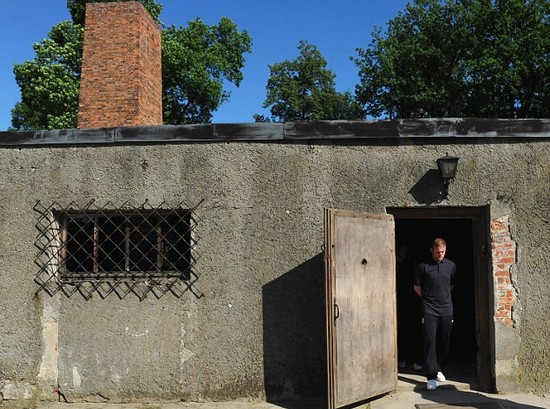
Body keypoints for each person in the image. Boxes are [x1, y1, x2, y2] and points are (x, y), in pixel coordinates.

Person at [414, 238, 456, 390]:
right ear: (431, 249)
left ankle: (438, 367)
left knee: (444, 340)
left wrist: (443, 296)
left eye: (443, 252)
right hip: (429, 308)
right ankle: (431, 376)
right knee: (430, 339)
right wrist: (428, 298)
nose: (440, 254)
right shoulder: (423, 266)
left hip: (446, 308)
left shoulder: (451, 266)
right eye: (437, 252)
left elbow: (451, 284)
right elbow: (416, 287)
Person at [396, 244, 423, 371]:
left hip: (410, 302)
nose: (404, 252)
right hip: (397, 301)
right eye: (402, 250)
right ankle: (401, 358)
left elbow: (415, 283)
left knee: (412, 331)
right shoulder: (394, 264)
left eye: (405, 250)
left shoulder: (411, 265)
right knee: (399, 331)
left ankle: (413, 360)